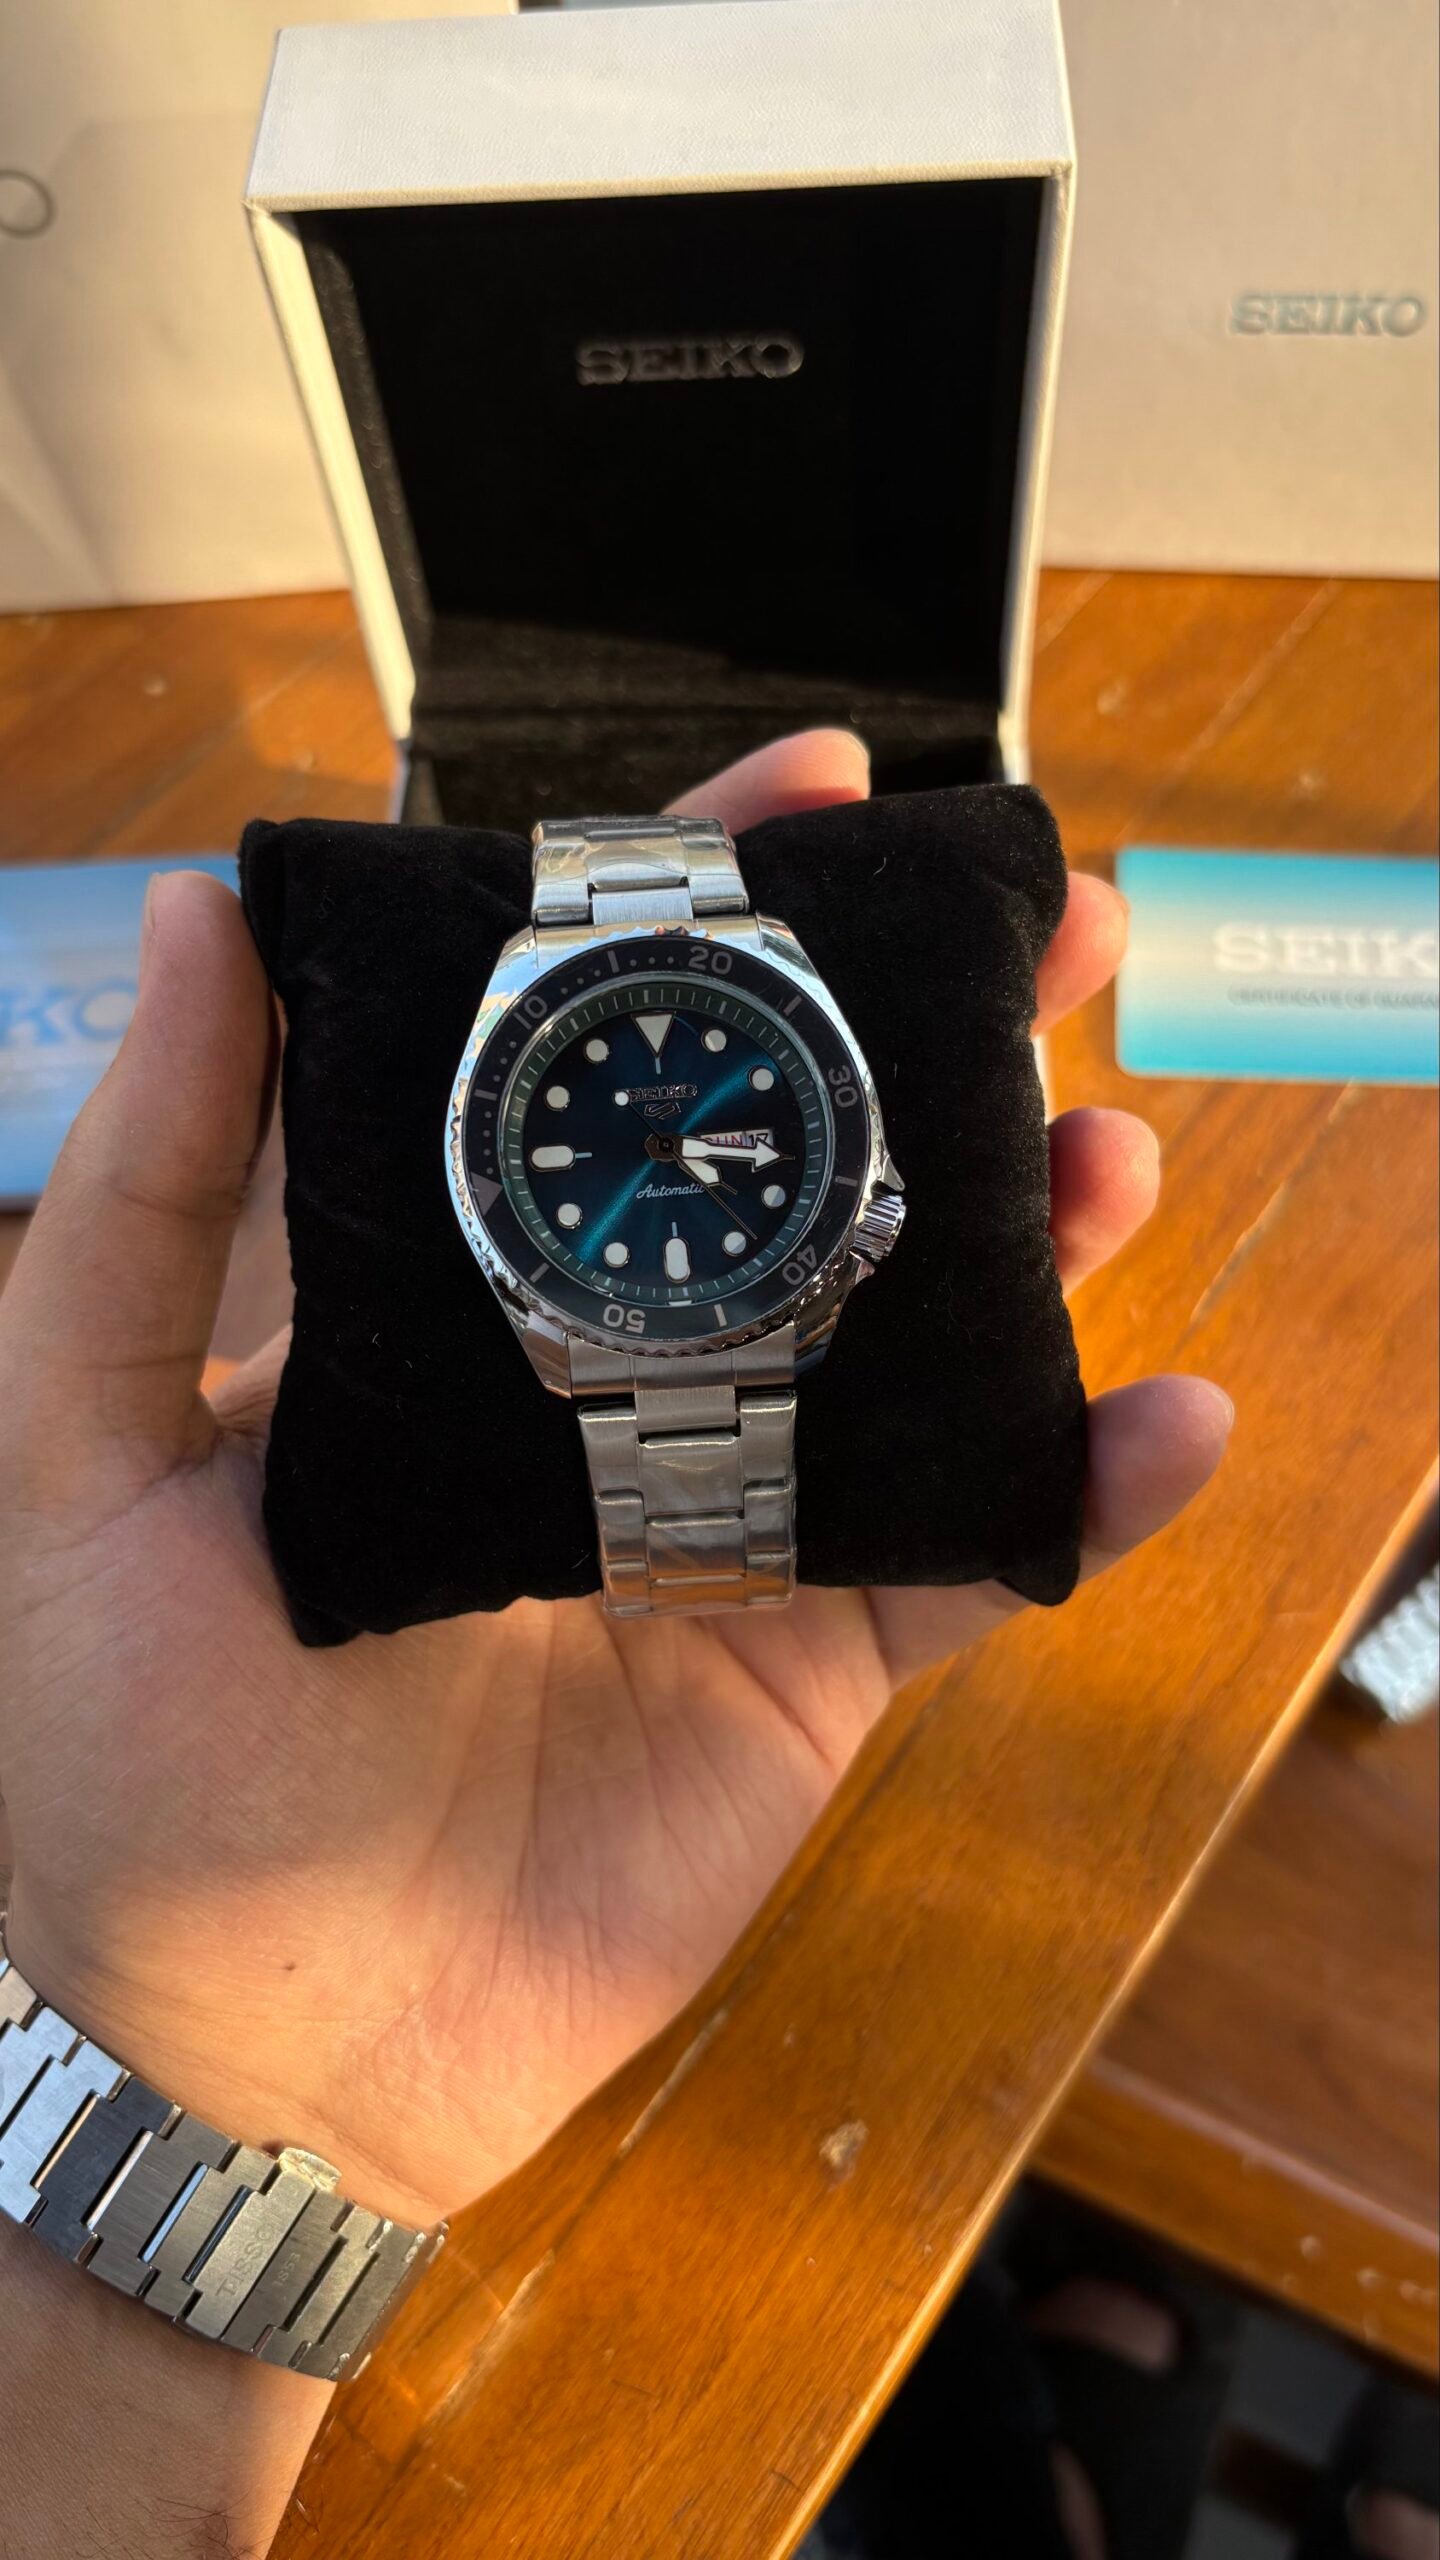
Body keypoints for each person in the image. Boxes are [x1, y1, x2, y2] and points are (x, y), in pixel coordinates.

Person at [0, 732, 1233, 2557]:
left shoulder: (777, 1157)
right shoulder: (536, 1184)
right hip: (576, 1333)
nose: (664, 1146)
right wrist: (195, 2050)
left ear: (867, 1198)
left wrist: (169, 2078)